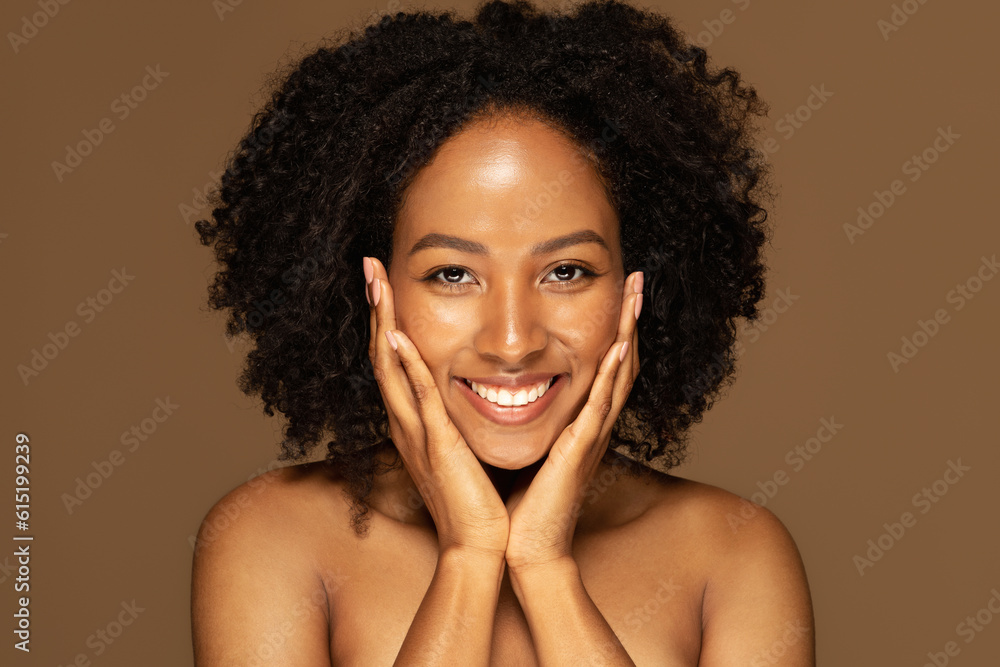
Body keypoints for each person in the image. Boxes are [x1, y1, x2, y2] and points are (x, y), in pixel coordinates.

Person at [190, 0, 815, 664]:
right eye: (454, 274)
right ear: (376, 290)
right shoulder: (267, 538)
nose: (513, 341)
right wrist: (469, 554)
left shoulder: (734, 554)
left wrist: (546, 567)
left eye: (566, 271)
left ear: (637, 285)